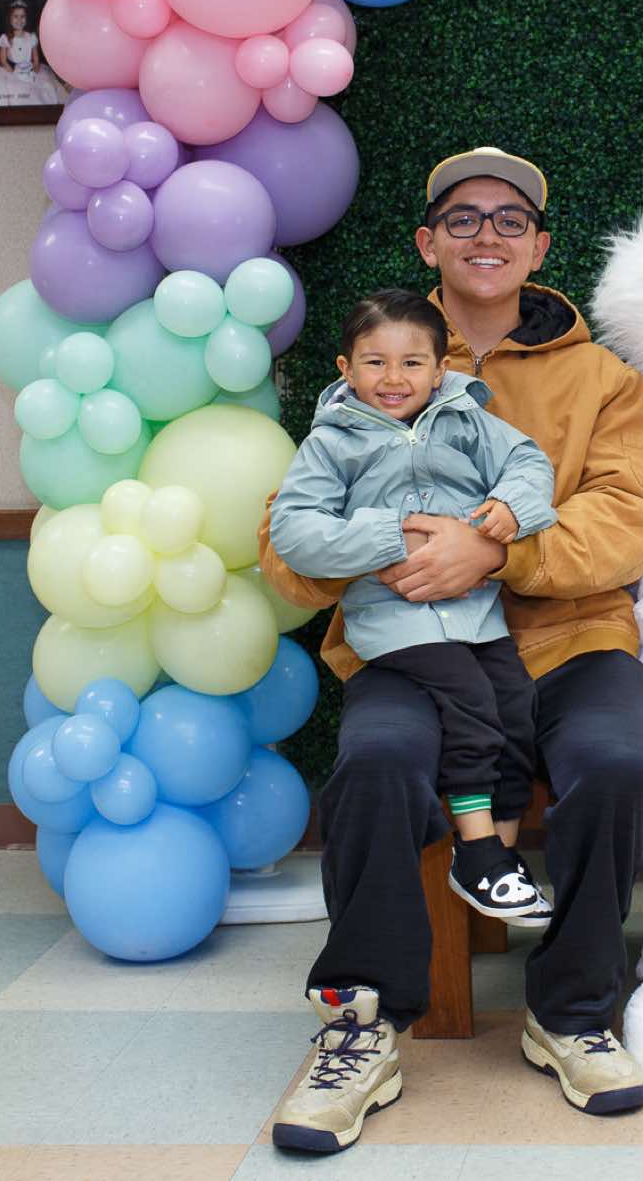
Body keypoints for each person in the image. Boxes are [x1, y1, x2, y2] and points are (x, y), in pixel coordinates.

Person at [258, 147, 643, 1154]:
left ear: (539, 246)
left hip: (569, 639)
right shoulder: (377, 364)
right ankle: (361, 1023)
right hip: (413, 646)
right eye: (462, 217)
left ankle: (572, 1012)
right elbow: (287, 543)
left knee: (616, 765)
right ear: (427, 241)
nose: (486, 234)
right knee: (375, 763)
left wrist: (492, 553)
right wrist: (387, 551)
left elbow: (633, 515)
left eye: (508, 219)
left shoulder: (604, 380)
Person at [271, 288, 560, 927]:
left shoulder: (467, 420)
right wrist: (387, 538)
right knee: (471, 705)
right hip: (396, 619)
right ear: (346, 370)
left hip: (475, 613)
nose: (393, 378)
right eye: (375, 362)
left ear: (439, 369)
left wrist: (511, 509)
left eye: (412, 363)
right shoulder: (331, 444)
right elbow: (294, 531)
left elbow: (528, 462)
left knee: (516, 708)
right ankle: (477, 850)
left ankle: (500, 857)